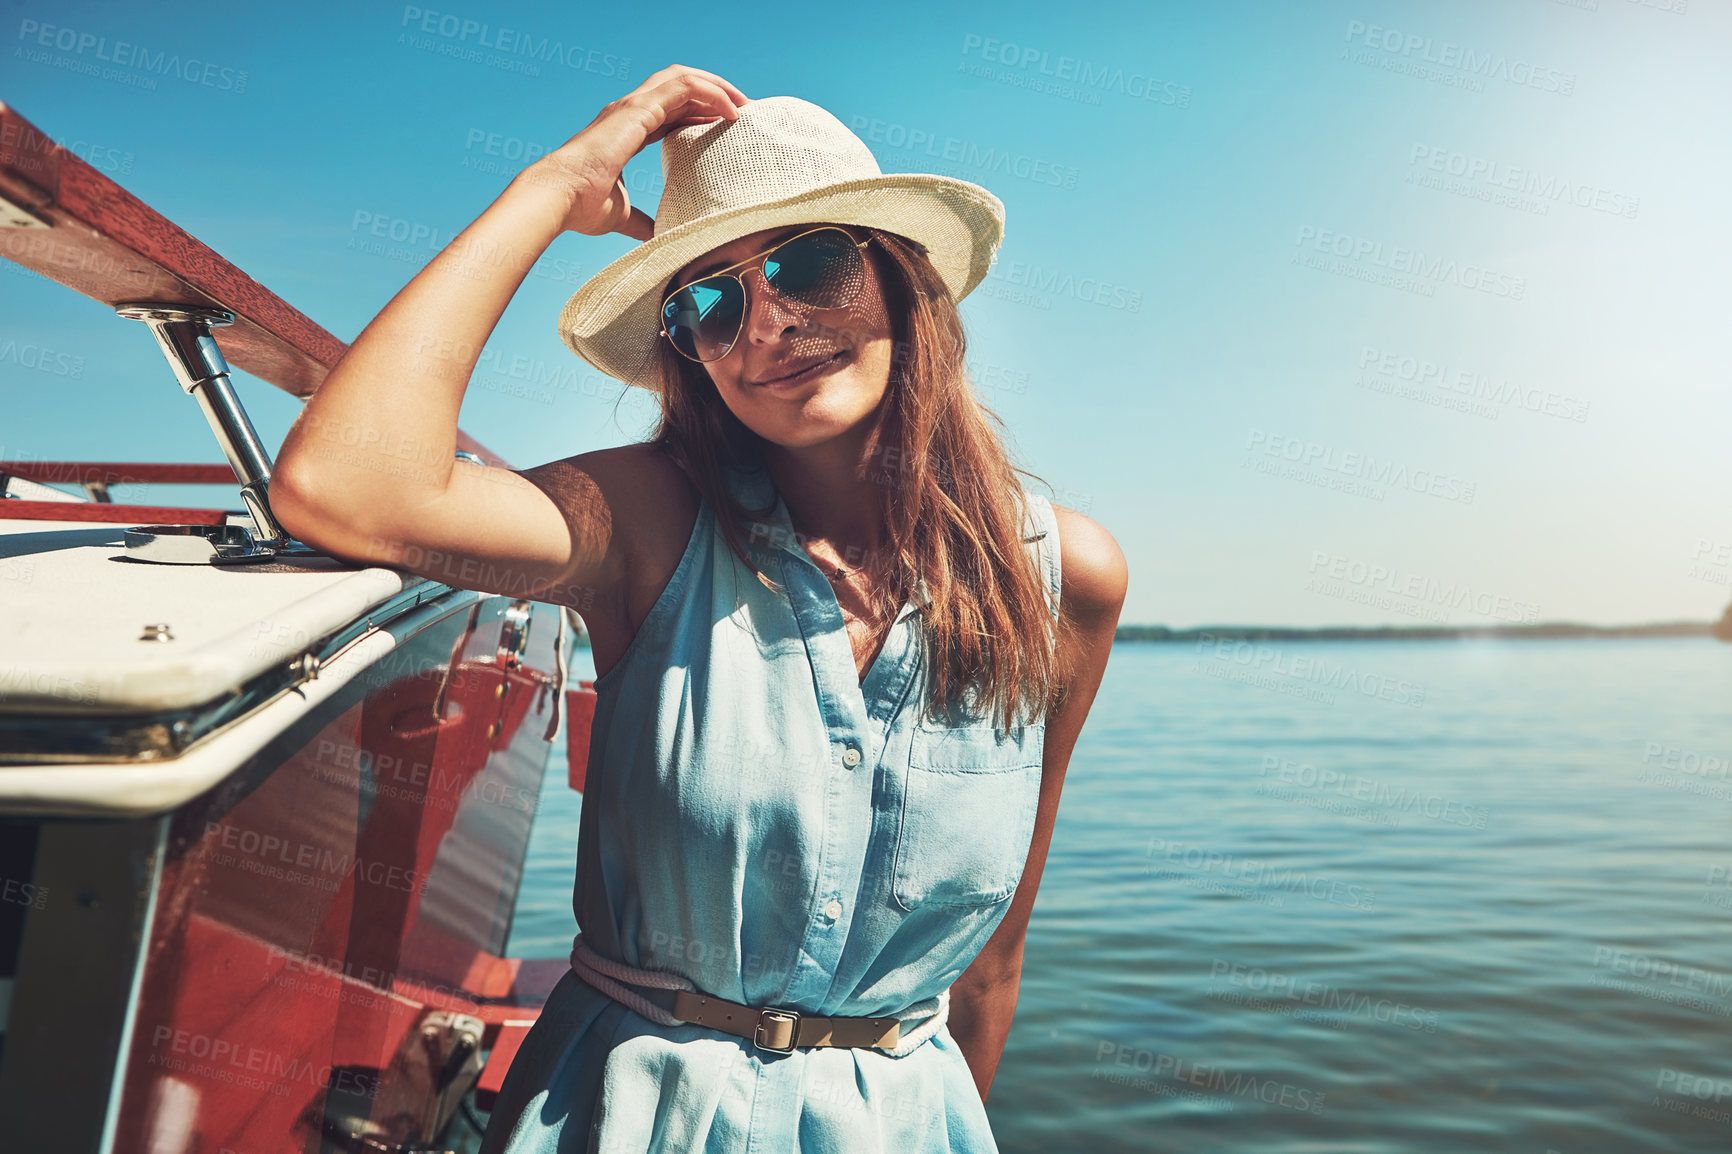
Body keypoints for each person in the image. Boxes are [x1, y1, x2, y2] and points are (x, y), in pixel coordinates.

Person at [272, 65, 1126, 1154]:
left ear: (902, 280)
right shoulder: (648, 521)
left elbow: (994, 958)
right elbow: (344, 484)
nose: (766, 323)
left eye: (809, 264)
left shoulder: (1065, 579)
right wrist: (558, 180)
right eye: (709, 302)